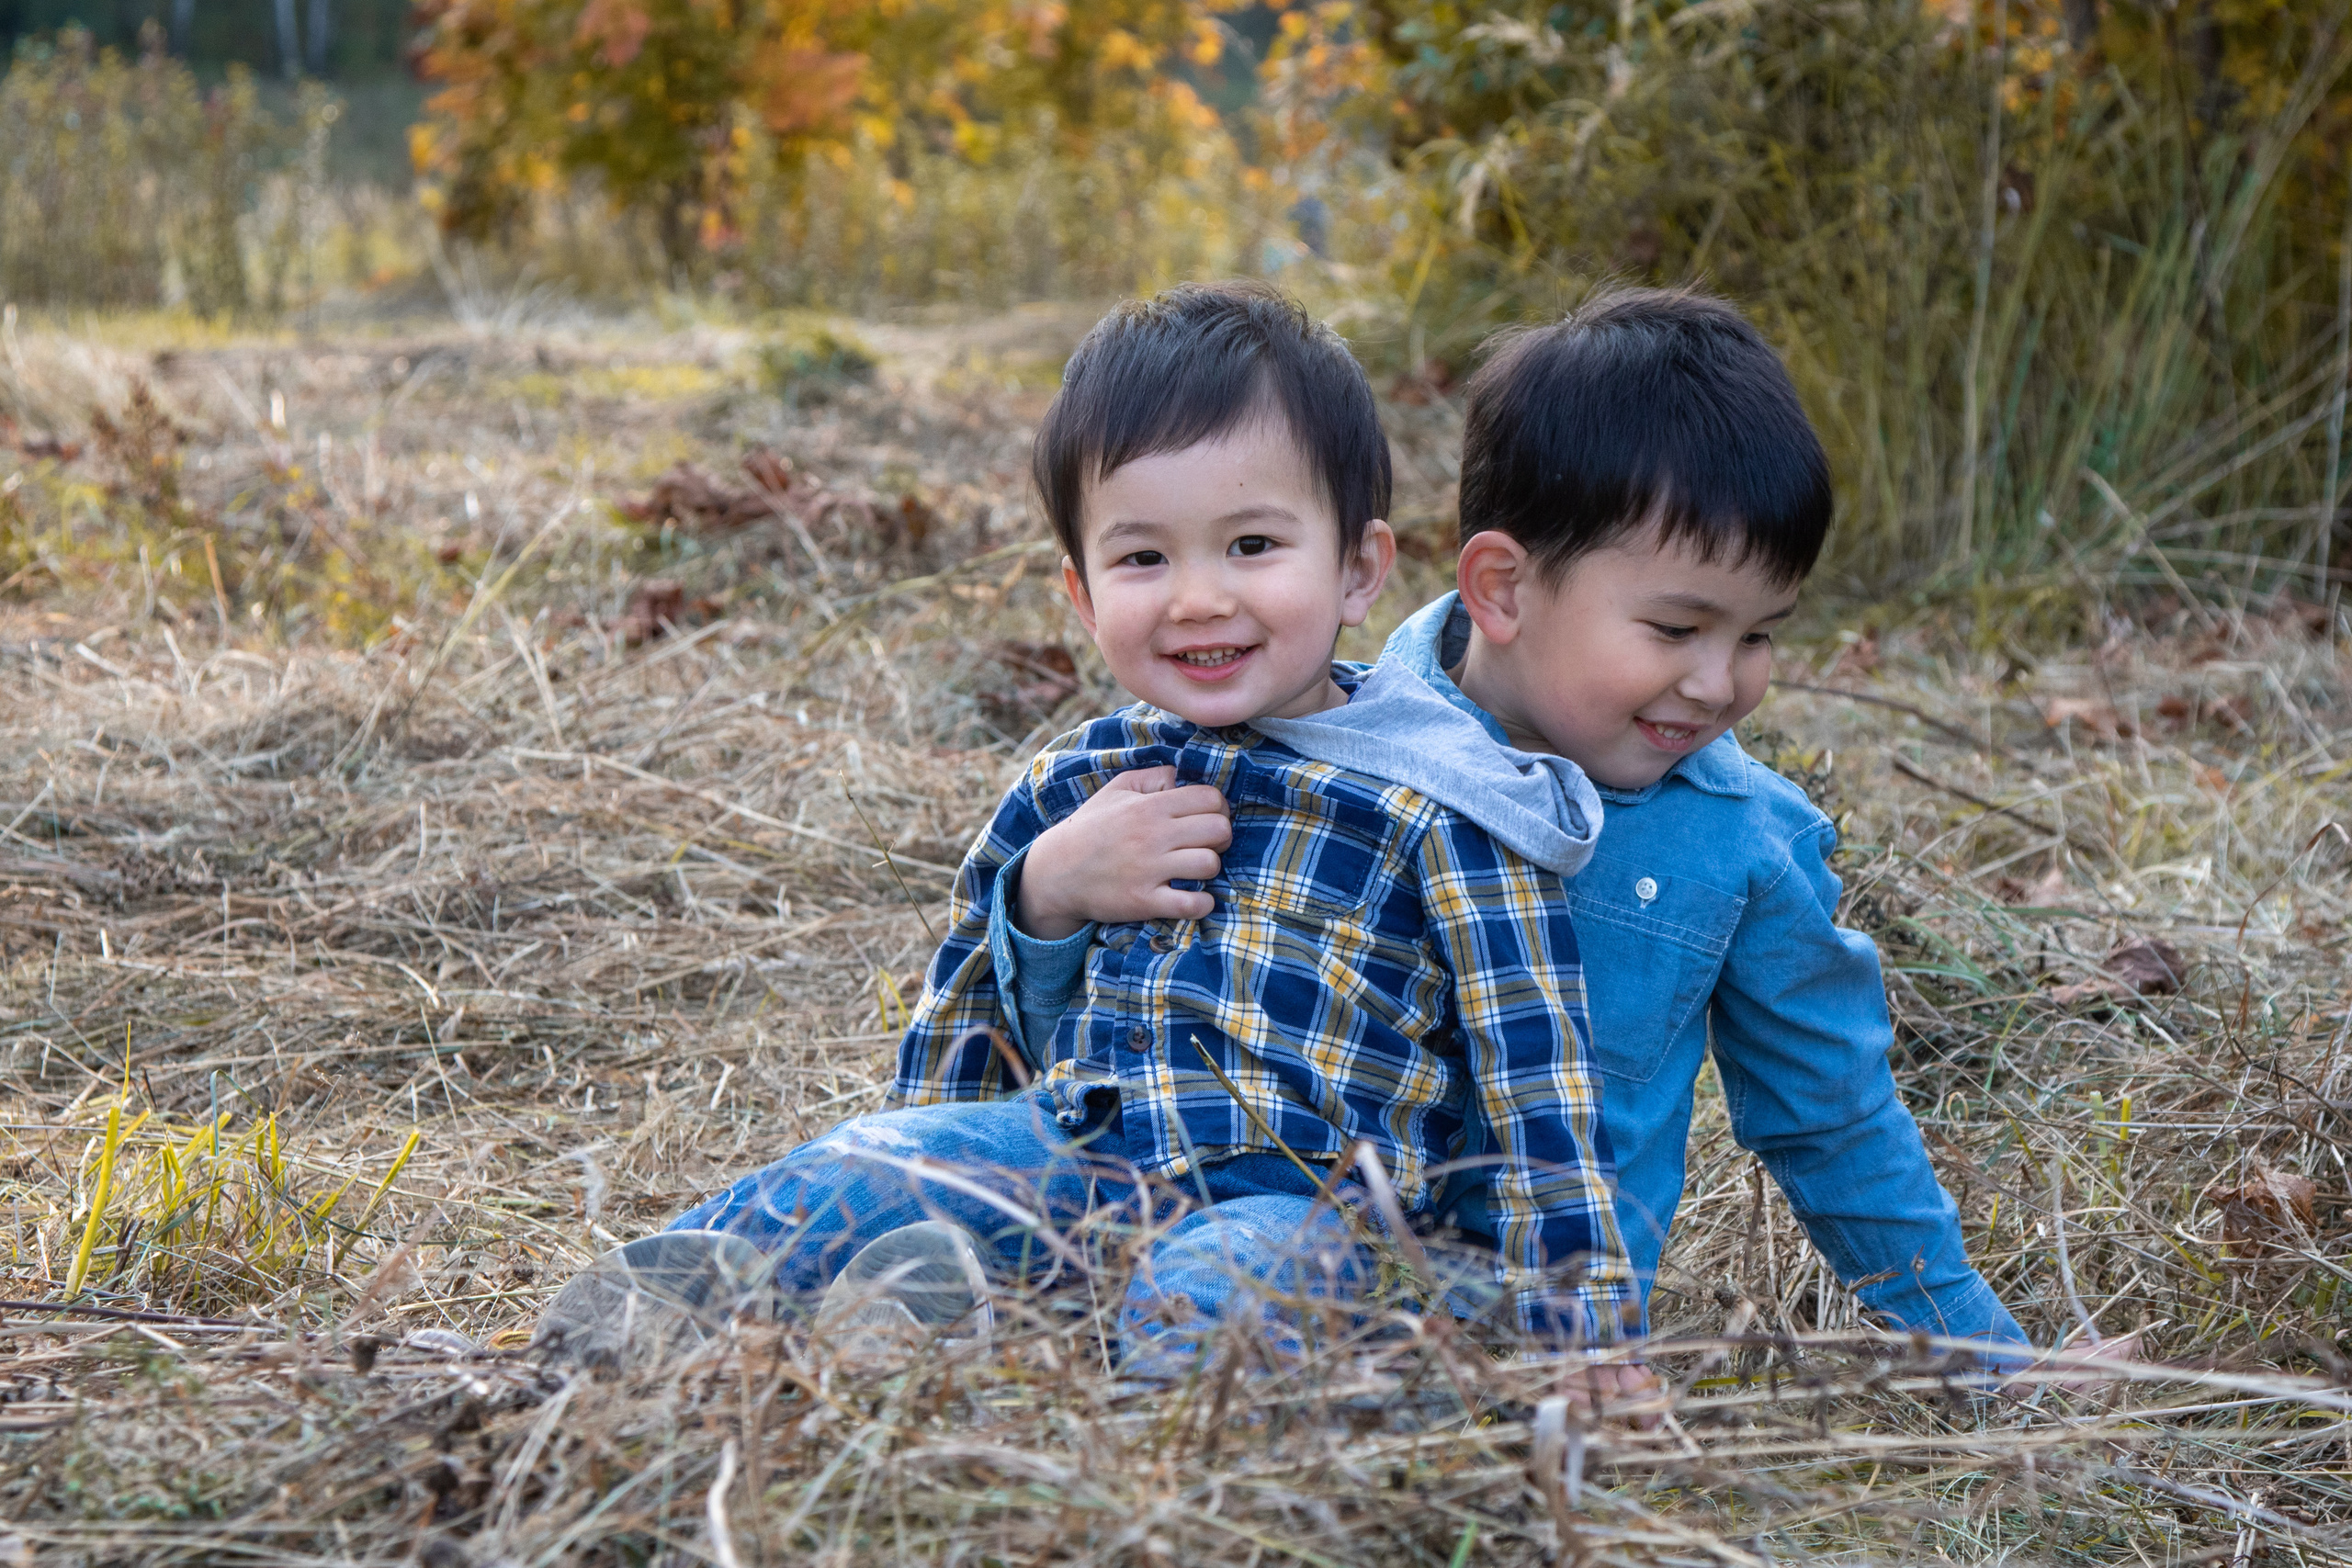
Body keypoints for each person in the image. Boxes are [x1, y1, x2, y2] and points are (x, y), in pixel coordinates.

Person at [536, 281, 1637, 1369]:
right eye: (1143, 558)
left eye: (1253, 545)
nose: (1197, 598)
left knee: (1223, 1295)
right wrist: (1045, 897)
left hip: (1303, 1200)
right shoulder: (1081, 779)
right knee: (860, 1167)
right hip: (1078, 1151)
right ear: (1082, 593)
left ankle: (1124, 1410)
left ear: (1357, 569)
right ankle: (651, 1325)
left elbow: (1537, 1082)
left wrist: (1576, 1333)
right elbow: (965, 1031)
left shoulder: (1443, 801)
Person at [1013, 286, 2028, 1359]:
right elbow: (1128, 1012)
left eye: (1758, 635)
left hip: (1518, 1340)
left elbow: (1831, 1119)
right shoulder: (1314, 730)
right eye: (1674, 628)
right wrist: (1044, 894)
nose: (1717, 682)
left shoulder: (1739, 849)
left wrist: (1987, 1357)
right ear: (1499, 589)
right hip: (1249, 1222)